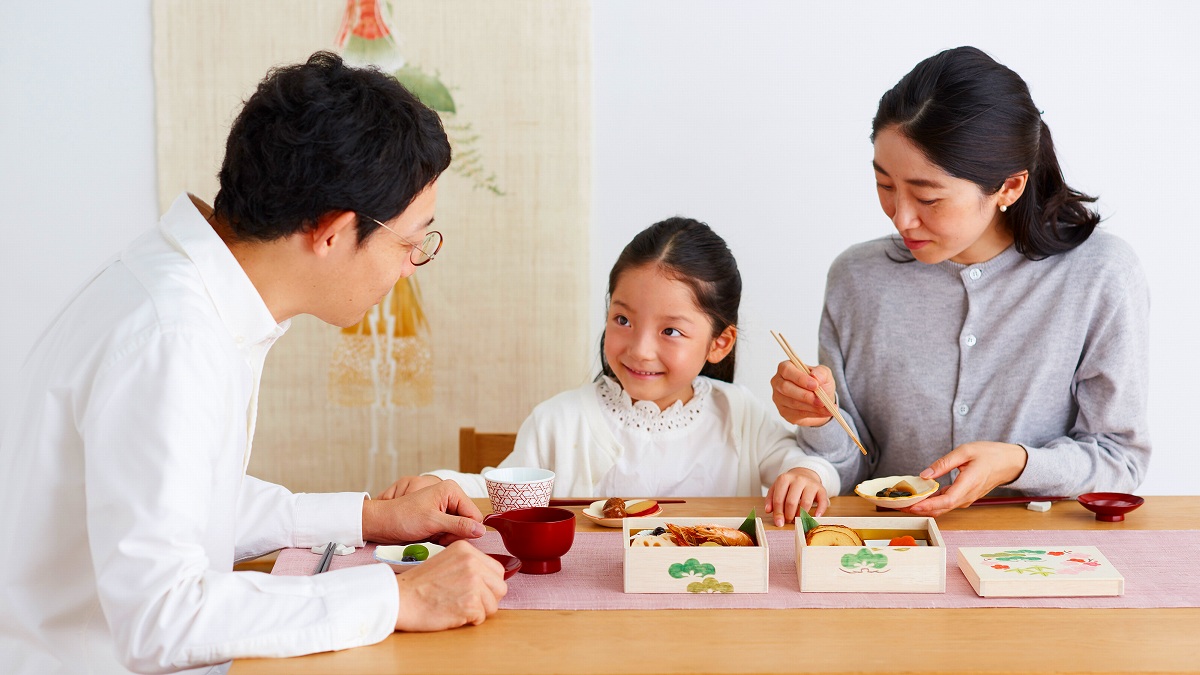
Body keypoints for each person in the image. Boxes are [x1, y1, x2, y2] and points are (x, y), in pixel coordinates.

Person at [0, 52, 507, 675]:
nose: (410, 267)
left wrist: (369, 516)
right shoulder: (172, 339)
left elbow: (186, 504)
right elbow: (163, 618)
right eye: (409, 243)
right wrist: (397, 595)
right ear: (332, 232)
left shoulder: (186, 293)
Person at [770, 46, 1151, 518]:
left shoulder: (1100, 275)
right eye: (885, 186)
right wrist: (819, 420)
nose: (901, 217)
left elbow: (1120, 459)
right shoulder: (856, 278)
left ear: (1009, 187)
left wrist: (1017, 464)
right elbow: (854, 464)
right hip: (891, 550)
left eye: (928, 197)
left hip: (1038, 559)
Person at [385, 217, 840, 524]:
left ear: (719, 343)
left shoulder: (739, 414)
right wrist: (440, 483)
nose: (639, 350)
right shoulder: (558, 420)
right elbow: (503, 490)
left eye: (671, 331)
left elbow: (806, 464)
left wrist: (808, 476)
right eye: (622, 320)